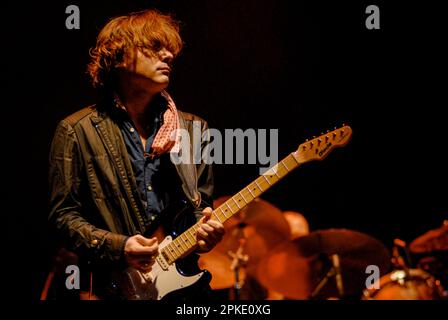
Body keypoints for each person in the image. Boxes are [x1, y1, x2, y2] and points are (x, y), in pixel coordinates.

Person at [46, 9, 224, 300]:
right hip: (112, 288)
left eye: (170, 50)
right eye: (155, 47)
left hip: (185, 290)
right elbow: (63, 217)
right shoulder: (75, 131)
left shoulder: (193, 129)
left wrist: (204, 237)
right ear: (117, 57)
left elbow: (197, 209)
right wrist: (120, 246)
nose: (168, 55)